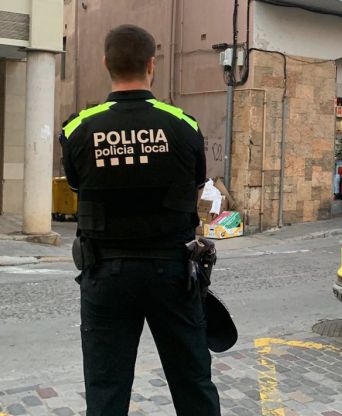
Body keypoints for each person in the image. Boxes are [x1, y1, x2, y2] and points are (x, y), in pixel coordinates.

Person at [59, 25, 220, 416]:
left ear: (105, 64)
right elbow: (196, 190)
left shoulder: (78, 128)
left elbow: (81, 188)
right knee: (193, 382)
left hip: (106, 271)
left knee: (106, 388)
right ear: (152, 64)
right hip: (173, 272)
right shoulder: (184, 125)